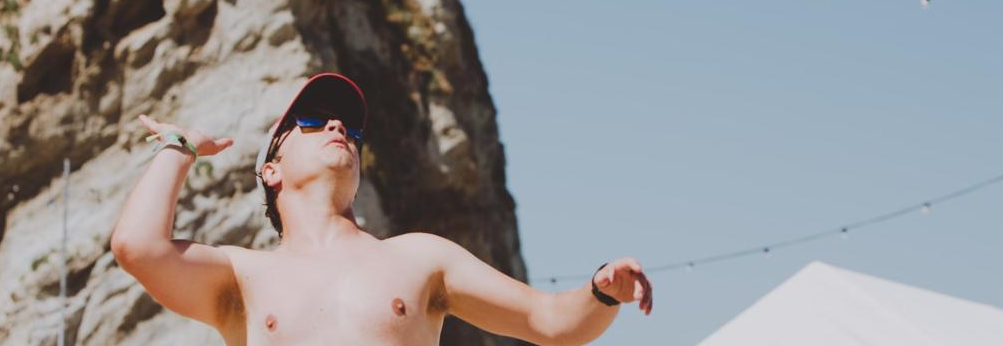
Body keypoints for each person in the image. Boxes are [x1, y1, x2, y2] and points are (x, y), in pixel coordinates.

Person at [111, 72, 653, 345]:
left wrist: (602, 291)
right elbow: (139, 248)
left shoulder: (420, 257)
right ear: (270, 171)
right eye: (311, 120)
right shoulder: (242, 276)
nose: (336, 125)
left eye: (346, 123)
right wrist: (178, 147)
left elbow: (550, 322)